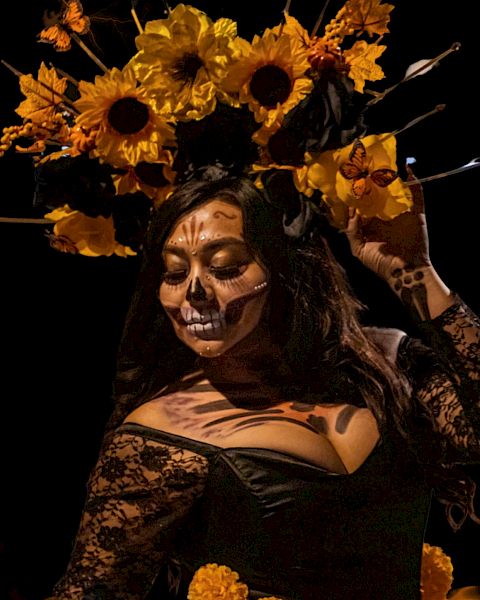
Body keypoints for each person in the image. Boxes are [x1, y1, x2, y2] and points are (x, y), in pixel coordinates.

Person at [46, 169, 480, 600]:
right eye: (175, 273)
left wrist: (416, 272)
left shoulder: (385, 364)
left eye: (225, 266)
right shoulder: (160, 433)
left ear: (284, 264)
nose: (193, 291)